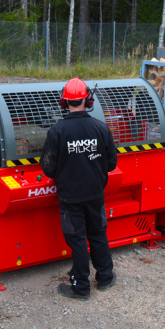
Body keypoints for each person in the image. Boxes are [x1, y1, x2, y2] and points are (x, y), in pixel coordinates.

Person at [40, 78, 118, 300]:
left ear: (64, 102)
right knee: (98, 235)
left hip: (70, 197)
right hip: (95, 194)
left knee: (77, 239)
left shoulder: (57, 131)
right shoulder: (101, 128)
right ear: (88, 100)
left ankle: (81, 287)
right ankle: (105, 277)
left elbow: (48, 167)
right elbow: (111, 164)